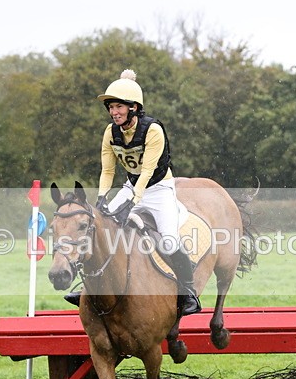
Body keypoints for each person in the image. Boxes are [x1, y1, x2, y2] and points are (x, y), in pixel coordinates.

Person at [64, 69, 201, 316]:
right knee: (100, 227)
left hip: (159, 189)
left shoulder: (153, 130)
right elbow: (108, 170)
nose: (114, 112)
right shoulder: (111, 132)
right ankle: (87, 288)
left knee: (169, 239)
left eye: (119, 106)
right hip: (131, 186)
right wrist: (102, 198)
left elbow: (147, 171)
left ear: (134, 107)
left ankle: (189, 291)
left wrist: (133, 201)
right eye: (111, 107)